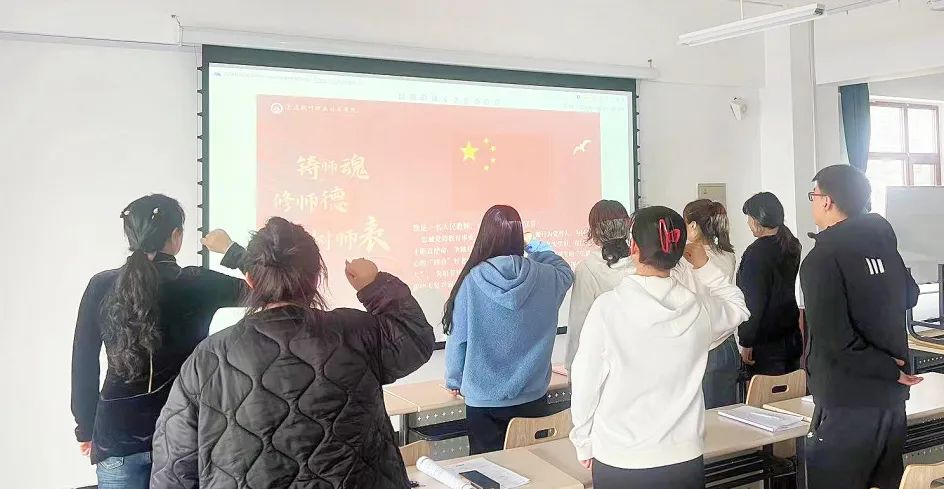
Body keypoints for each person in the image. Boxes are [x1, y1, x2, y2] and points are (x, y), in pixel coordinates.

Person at [150, 217, 435, 489]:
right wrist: (374, 285)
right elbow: (413, 338)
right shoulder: (355, 332)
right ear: (316, 279)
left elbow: (174, 468)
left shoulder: (208, 357)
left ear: (250, 281)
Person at [71, 194, 247, 489]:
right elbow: (273, 289)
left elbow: (83, 363)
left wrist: (85, 427)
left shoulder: (101, 285)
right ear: (176, 236)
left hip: (117, 434)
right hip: (183, 433)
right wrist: (233, 252)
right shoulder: (198, 282)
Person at [570, 205, 749, 489]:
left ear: (634, 249)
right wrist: (704, 266)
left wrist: (583, 440)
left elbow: (586, 381)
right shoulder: (698, 308)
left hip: (620, 456)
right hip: (683, 456)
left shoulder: (607, 309)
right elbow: (738, 307)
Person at [802, 165, 922, 489]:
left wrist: (887, 369)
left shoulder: (821, 259)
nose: (813, 202)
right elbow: (910, 294)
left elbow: (836, 340)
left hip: (847, 399)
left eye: (813, 195)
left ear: (827, 201)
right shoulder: (882, 242)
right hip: (891, 401)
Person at [444, 205, 575, 454]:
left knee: (488, 470)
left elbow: (458, 338)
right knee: (533, 468)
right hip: (533, 397)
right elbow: (566, 272)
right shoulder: (546, 276)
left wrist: (454, 379)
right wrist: (535, 246)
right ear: (519, 237)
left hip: (484, 403)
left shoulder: (471, 281)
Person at [680, 199, 740, 409]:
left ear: (693, 226)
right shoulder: (728, 255)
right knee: (724, 415)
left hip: (701, 347)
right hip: (727, 345)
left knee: (703, 418)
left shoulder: (686, 259)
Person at [565, 200, 635, 374]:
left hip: (604, 364)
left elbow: (578, 322)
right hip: (639, 358)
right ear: (627, 227)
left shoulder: (587, 268)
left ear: (594, 234)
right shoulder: (643, 263)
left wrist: (571, 368)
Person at [738, 192, 803, 375]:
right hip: (791, 335)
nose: (748, 223)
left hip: (766, 344)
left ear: (757, 221)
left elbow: (754, 303)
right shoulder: (791, 245)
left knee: (763, 393)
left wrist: (746, 341)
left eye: (749, 218)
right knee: (790, 390)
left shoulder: (756, 253)